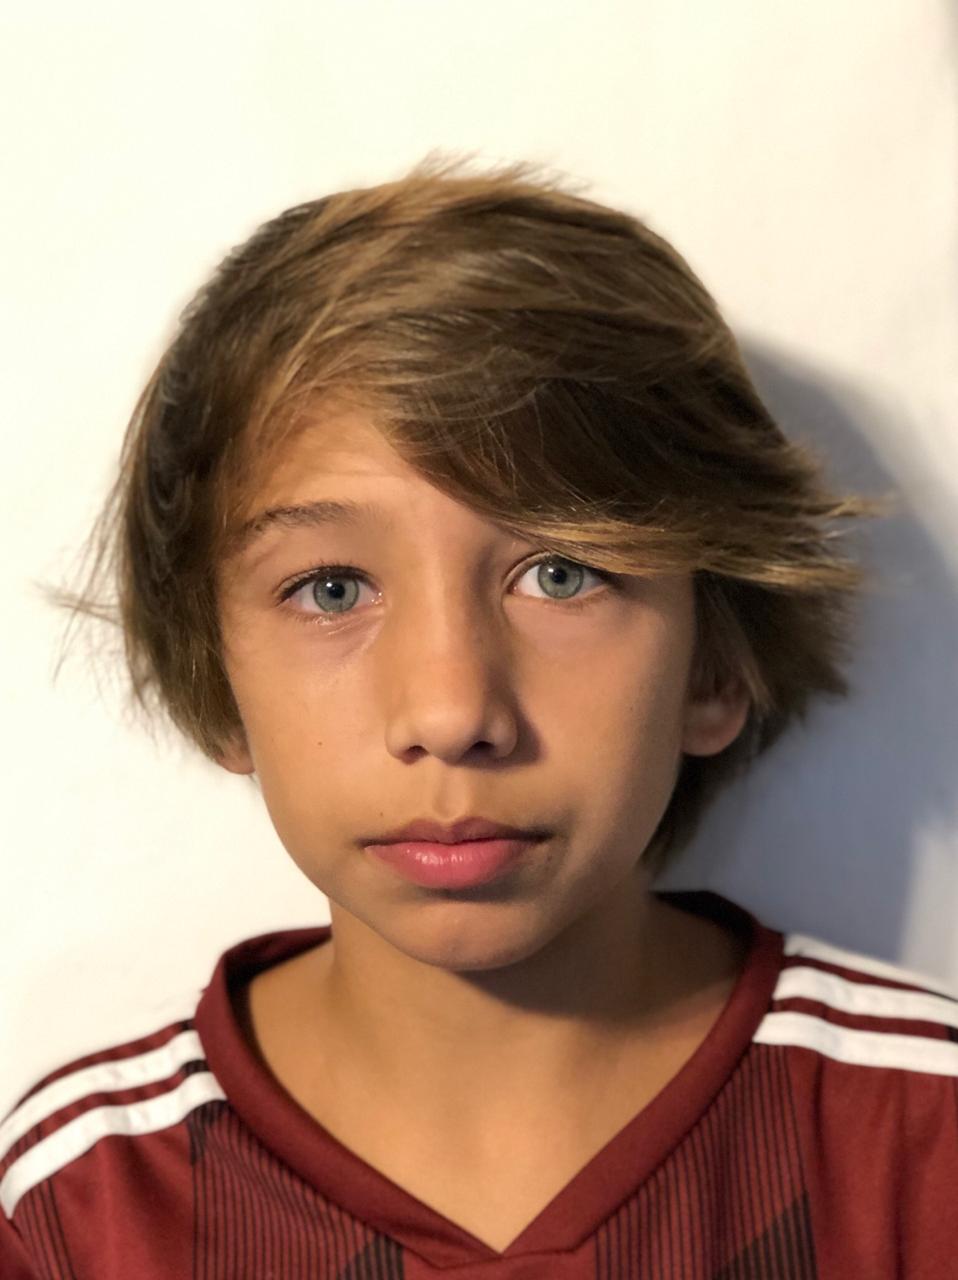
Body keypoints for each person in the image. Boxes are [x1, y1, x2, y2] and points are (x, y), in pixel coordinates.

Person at [1, 154, 954, 1278]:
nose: (452, 713)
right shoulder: (81, 1210)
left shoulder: (921, 1146)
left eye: (561, 574)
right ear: (216, 681)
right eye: (332, 589)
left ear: (713, 666)